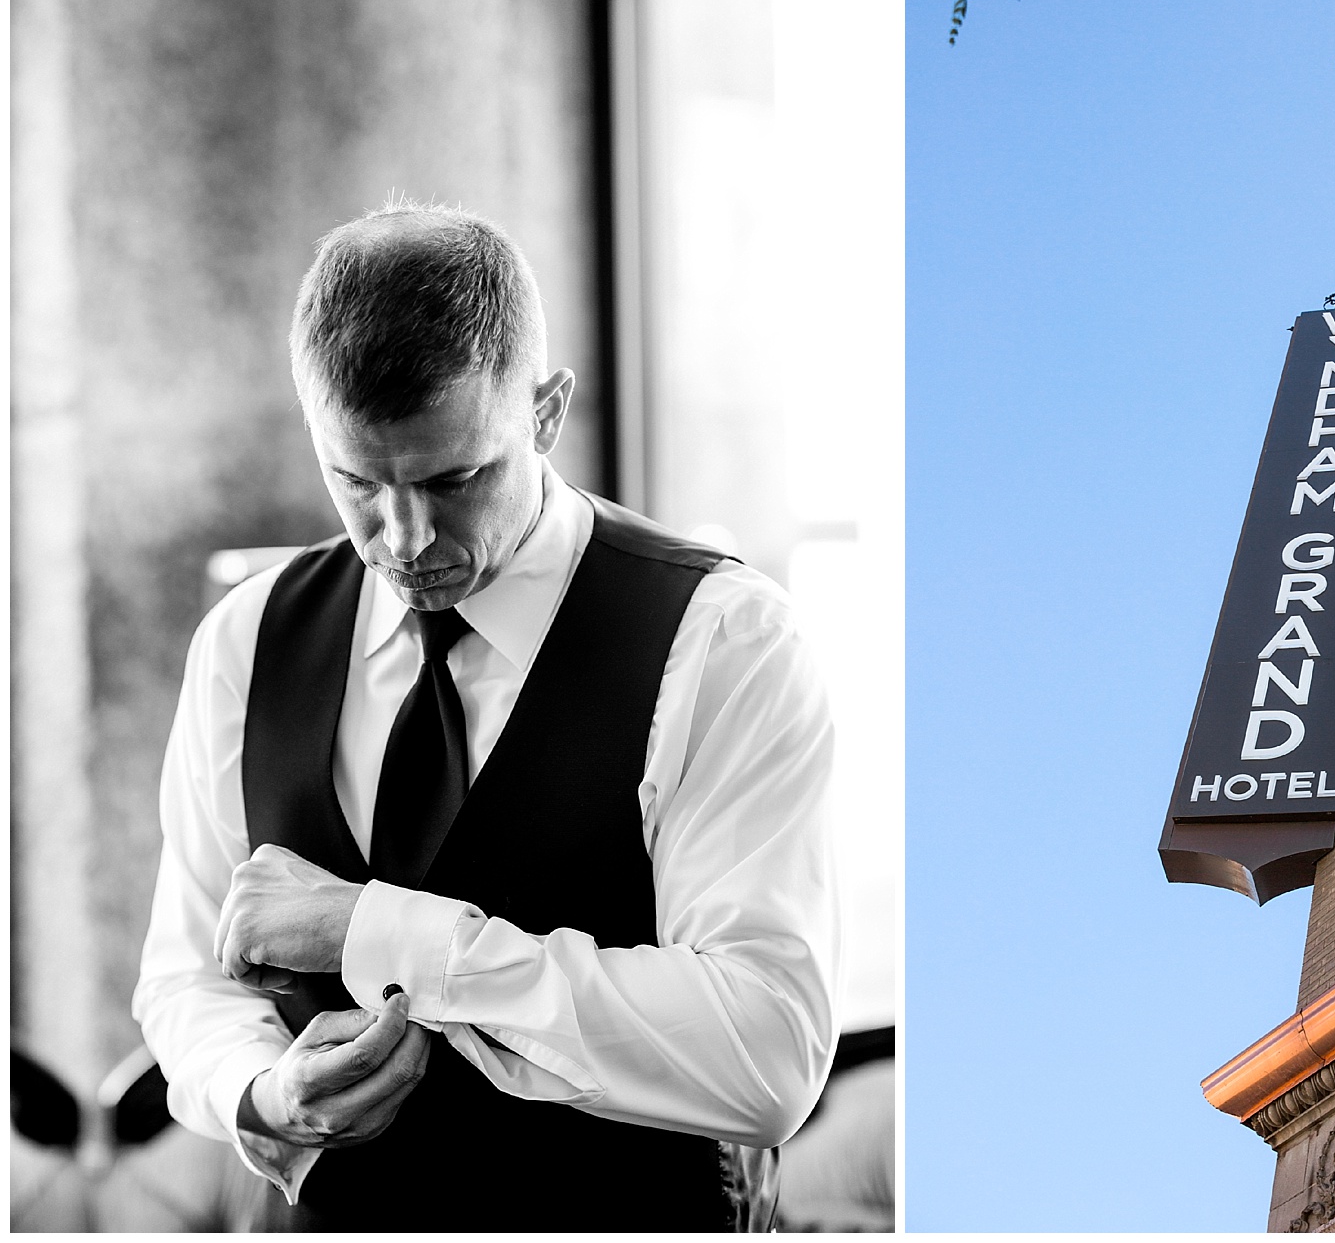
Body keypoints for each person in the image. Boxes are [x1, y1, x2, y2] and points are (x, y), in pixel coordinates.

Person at [133, 200, 839, 1231]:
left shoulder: (725, 641)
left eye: (455, 478)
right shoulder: (245, 642)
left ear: (545, 414)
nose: (406, 535)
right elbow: (183, 981)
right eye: (357, 481)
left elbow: (766, 1051)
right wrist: (262, 1091)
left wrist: (387, 932)